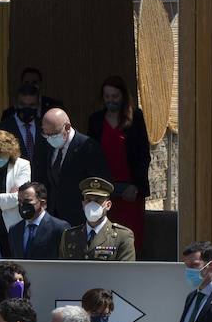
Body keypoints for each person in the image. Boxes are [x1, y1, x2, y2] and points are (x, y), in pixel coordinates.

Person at [87, 76, 150, 245]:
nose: (111, 100)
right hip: (105, 191)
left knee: (131, 238)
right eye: (107, 96)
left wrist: (136, 185)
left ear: (123, 96)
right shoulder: (96, 120)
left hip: (130, 192)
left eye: (114, 96)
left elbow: (143, 155)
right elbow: (91, 156)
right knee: (105, 239)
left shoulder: (135, 118)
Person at [31, 108, 111, 224]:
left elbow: (100, 185)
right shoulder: (47, 145)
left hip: (79, 218)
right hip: (53, 217)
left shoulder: (88, 147)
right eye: (45, 133)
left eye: (53, 134)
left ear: (67, 127)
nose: (49, 138)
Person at [59, 177, 136, 262]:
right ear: (83, 204)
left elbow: (125, 273)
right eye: (88, 200)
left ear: (108, 205)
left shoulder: (122, 236)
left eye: (98, 200)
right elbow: (64, 270)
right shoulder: (69, 236)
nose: (92, 204)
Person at [8, 182, 68, 259]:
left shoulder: (59, 228)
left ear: (42, 203)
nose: (22, 205)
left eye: (27, 201)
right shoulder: (14, 230)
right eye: (20, 201)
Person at [0, 82, 45, 161]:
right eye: (23, 105)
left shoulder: (45, 127)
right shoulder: (2, 129)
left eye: (32, 105)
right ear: (16, 104)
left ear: (38, 105)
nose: (27, 109)